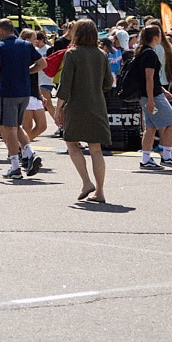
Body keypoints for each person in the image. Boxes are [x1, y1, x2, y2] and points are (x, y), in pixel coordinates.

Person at [56, 19, 112, 204]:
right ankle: (101, 191)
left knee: (72, 143)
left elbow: (65, 85)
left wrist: (58, 109)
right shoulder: (102, 55)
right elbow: (108, 83)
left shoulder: (72, 54)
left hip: (76, 105)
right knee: (96, 149)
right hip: (97, 104)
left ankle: (86, 182)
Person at [0, 20, 43, 180]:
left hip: (8, 92)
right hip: (25, 92)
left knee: (7, 129)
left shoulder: (0, 46)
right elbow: (42, 63)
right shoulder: (26, 45)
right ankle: (30, 153)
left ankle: (15, 166)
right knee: (16, 126)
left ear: (2, 31)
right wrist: (28, 71)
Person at [123, 22, 172, 169]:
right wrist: (151, 99)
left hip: (147, 95)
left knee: (151, 127)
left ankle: (146, 158)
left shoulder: (142, 52)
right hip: (152, 96)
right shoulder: (150, 54)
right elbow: (149, 78)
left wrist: (162, 90)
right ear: (156, 37)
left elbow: (149, 79)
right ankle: (166, 154)